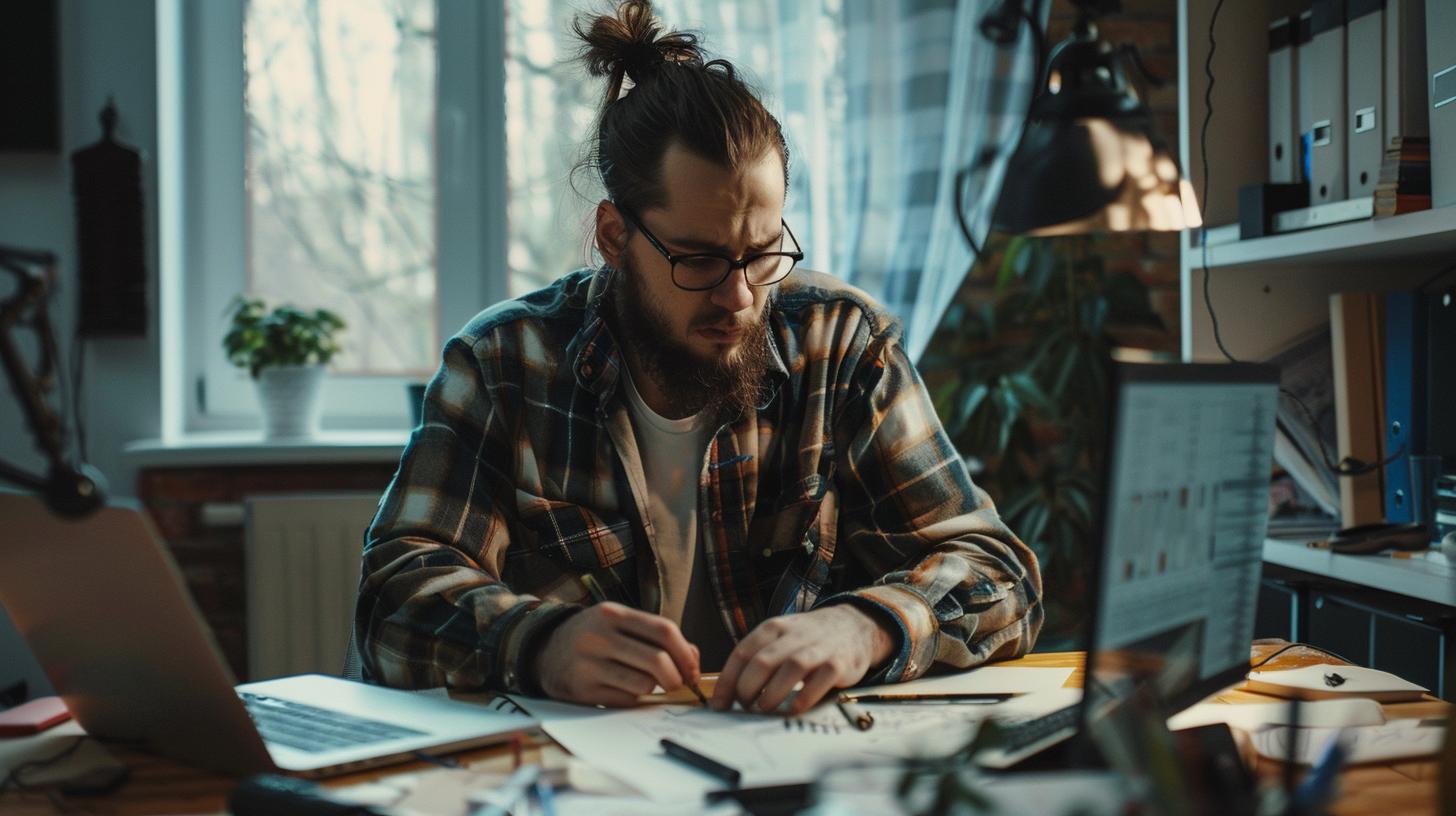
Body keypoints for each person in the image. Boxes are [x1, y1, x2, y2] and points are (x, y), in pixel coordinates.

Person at [355, 0, 1041, 716]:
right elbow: (393, 595)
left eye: (763, 253)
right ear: (616, 237)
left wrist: (865, 627)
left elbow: (1002, 577)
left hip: (794, 765)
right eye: (703, 260)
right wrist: (539, 642)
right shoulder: (504, 363)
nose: (741, 297)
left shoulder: (843, 345)